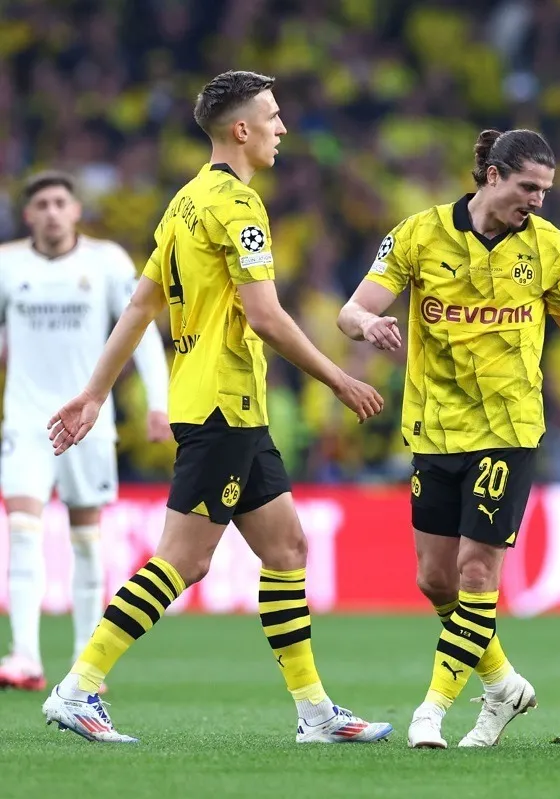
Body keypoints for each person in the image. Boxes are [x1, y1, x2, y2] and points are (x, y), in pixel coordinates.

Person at [40, 70, 392, 744]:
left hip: (229, 407)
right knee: (183, 560)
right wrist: (337, 379)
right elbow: (265, 315)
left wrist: (94, 392)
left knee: (287, 547)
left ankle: (315, 712)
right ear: (241, 129)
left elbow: (140, 306)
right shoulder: (238, 207)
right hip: (222, 405)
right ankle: (78, 688)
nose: (282, 128)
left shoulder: (183, 202)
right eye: (273, 116)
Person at [337, 128, 560, 749]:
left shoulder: (550, 247)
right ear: (493, 176)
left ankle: (432, 710)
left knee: (477, 570)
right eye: (529, 186)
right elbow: (351, 310)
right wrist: (368, 324)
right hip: (433, 429)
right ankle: (502, 684)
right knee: (435, 580)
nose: (538, 200)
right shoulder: (419, 233)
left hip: (509, 428)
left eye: (546, 190)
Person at [0, 172, 171, 693]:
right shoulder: (7, 264)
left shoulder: (107, 262)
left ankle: (84, 662)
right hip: (26, 418)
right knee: (22, 528)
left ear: (76, 211)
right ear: (28, 215)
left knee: (86, 535)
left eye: (60, 202)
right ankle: (25, 656)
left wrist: (159, 401)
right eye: (42, 204)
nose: (52, 212)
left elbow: (139, 327)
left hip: (87, 420)